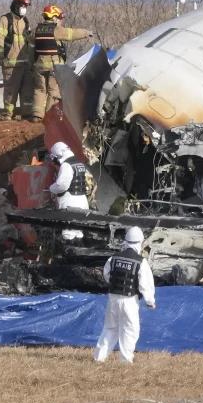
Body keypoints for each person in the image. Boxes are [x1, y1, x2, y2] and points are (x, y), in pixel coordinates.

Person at [94, 226, 156, 363]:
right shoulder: (141, 262)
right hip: (129, 300)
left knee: (110, 328)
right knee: (130, 330)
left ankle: (99, 358)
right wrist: (150, 301)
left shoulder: (113, 258)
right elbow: (145, 284)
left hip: (113, 298)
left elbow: (106, 275)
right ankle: (125, 360)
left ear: (126, 241)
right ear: (140, 242)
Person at [29, 4, 92, 121]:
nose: (60, 21)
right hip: (53, 66)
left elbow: (29, 39)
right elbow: (71, 33)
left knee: (39, 89)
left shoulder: (36, 30)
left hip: (39, 66)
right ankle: (49, 117)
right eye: (59, 18)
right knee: (53, 90)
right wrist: (86, 33)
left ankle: (37, 115)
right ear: (53, 17)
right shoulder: (56, 30)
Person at [0, 0, 33, 120]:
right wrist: (1, 57)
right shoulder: (5, 20)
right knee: (11, 90)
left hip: (25, 63)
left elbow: (30, 41)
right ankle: (7, 114)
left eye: (26, 6)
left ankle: (26, 114)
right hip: (10, 63)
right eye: (22, 5)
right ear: (16, 5)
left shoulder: (25, 21)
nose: (24, 9)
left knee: (27, 91)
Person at [47, 141, 91, 242]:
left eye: (55, 158)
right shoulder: (79, 163)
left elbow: (61, 185)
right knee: (78, 233)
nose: (55, 162)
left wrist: (51, 188)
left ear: (59, 155)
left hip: (71, 203)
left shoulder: (66, 165)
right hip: (82, 201)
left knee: (68, 234)